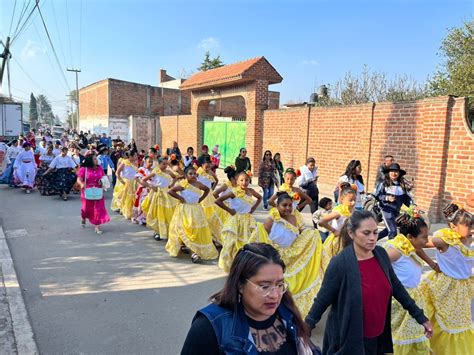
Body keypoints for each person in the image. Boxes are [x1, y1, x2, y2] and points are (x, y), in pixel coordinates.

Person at [305, 210, 433, 355]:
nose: (372, 238)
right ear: (351, 233)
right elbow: (322, 299)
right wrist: (307, 326)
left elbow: (397, 288)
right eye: (366, 233)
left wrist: (420, 317)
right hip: (349, 341)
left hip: (377, 338)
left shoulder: (381, 255)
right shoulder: (340, 264)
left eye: (375, 232)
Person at [182, 243, 316, 355]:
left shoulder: (287, 313)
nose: (275, 295)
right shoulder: (211, 327)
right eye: (264, 286)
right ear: (240, 285)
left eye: (279, 284)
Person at [251, 192, 323, 317]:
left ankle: (291, 311)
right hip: (278, 258)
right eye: (284, 205)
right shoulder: (271, 220)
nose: (288, 208)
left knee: (296, 283)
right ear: (277, 206)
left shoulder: (295, 216)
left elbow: (300, 232)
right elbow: (264, 240)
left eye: (290, 205)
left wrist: (310, 234)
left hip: (293, 255)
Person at [420, 203, 473, 355]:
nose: (472, 230)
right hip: (445, 286)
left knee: (460, 322)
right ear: (453, 226)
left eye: (473, 226)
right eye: (468, 226)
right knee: (445, 320)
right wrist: (430, 262)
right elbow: (418, 242)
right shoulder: (446, 241)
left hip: (463, 288)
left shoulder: (471, 241)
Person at [385, 210, 431, 355]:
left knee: (416, 333)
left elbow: (419, 251)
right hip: (401, 301)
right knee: (403, 335)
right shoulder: (397, 250)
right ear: (410, 237)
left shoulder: (410, 246)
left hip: (412, 298)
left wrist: (432, 263)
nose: (426, 240)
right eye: (424, 237)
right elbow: (377, 262)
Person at [166, 165, 218, 263]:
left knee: (196, 230)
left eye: (194, 174)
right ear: (186, 175)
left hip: (197, 210)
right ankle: (192, 252)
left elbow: (207, 190)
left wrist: (201, 199)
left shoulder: (198, 184)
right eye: (191, 174)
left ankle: (192, 248)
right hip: (186, 210)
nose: (193, 175)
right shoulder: (183, 184)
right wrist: (181, 198)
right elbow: (170, 191)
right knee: (187, 229)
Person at [215, 171, 262, 272]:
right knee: (232, 241)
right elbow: (218, 200)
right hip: (235, 219)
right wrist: (229, 210)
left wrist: (253, 208)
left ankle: (244, 264)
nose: (244, 182)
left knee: (247, 241)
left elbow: (260, 197)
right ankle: (231, 263)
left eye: (246, 180)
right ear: (237, 181)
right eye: (241, 180)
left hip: (248, 220)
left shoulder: (251, 191)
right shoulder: (233, 192)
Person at [318, 187, 356, 271]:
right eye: (350, 200)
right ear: (342, 199)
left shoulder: (353, 211)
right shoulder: (338, 212)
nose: (353, 203)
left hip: (350, 241)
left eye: (354, 200)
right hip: (338, 242)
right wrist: (334, 230)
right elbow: (321, 221)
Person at [141, 157, 178, 241]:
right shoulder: (156, 171)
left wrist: (172, 184)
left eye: (166, 164)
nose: (165, 166)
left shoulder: (168, 172)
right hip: (158, 194)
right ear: (159, 164)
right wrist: (151, 186)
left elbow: (175, 177)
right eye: (163, 164)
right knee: (157, 212)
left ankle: (167, 231)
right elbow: (143, 180)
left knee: (167, 212)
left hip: (167, 194)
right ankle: (157, 231)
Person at [375, 163, 412, 240]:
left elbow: (406, 199)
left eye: (396, 172)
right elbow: (377, 196)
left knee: (389, 229)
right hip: (386, 210)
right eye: (392, 171)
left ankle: (374, 239)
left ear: (399, 173)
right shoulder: (383, 184)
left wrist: (412, 206)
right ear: (388, 173)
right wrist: (387, 198)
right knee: (393, 231)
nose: (394, 173)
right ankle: (390, 250)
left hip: (396, 211)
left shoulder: (402, 185)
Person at [77, 153, 110, 235]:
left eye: (96, 159)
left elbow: (104, 176)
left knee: (98, 208)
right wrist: (81, 184)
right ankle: (83, 217)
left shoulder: (100, 168)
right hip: (87, 191)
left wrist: (103, 181)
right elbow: (79, 179)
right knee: (86, 209)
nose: (97, 160)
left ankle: (97, 226)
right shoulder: (84, 169)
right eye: (94, 159)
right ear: (90, 160)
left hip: (98, 190)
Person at [196, 158, 223, 244]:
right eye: (206, 164)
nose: (208, 166)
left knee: (211, 215)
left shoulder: (211, 172)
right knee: (202, 214)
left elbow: (216, 180)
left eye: (209, 163)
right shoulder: (198, 172)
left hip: (209, 195)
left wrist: (212, 188)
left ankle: (212, 235)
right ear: (202, 165)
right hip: (200, 194)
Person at [111, 150, 138, 219]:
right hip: (126, 182)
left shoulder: (135, 163)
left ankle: (130, 209)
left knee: (133, 197)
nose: (136, 157)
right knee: (124, 197)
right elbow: (117, 173)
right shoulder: (124, 163)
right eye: (135, 155)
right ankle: (123, 209)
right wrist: (121, 181)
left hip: (134, 182)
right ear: (130, 156)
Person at [132, 156, 154, 224]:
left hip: (151, 189)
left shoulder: (153, 170)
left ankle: (146, 217)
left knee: (149, 203)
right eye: (149, 162)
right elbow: (136, 178)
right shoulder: (142, 169)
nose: (150, 163)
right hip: (143, 189)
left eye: (151, 162)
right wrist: (145, 184)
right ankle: (140, 217)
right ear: (145, 162)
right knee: (142, 203)